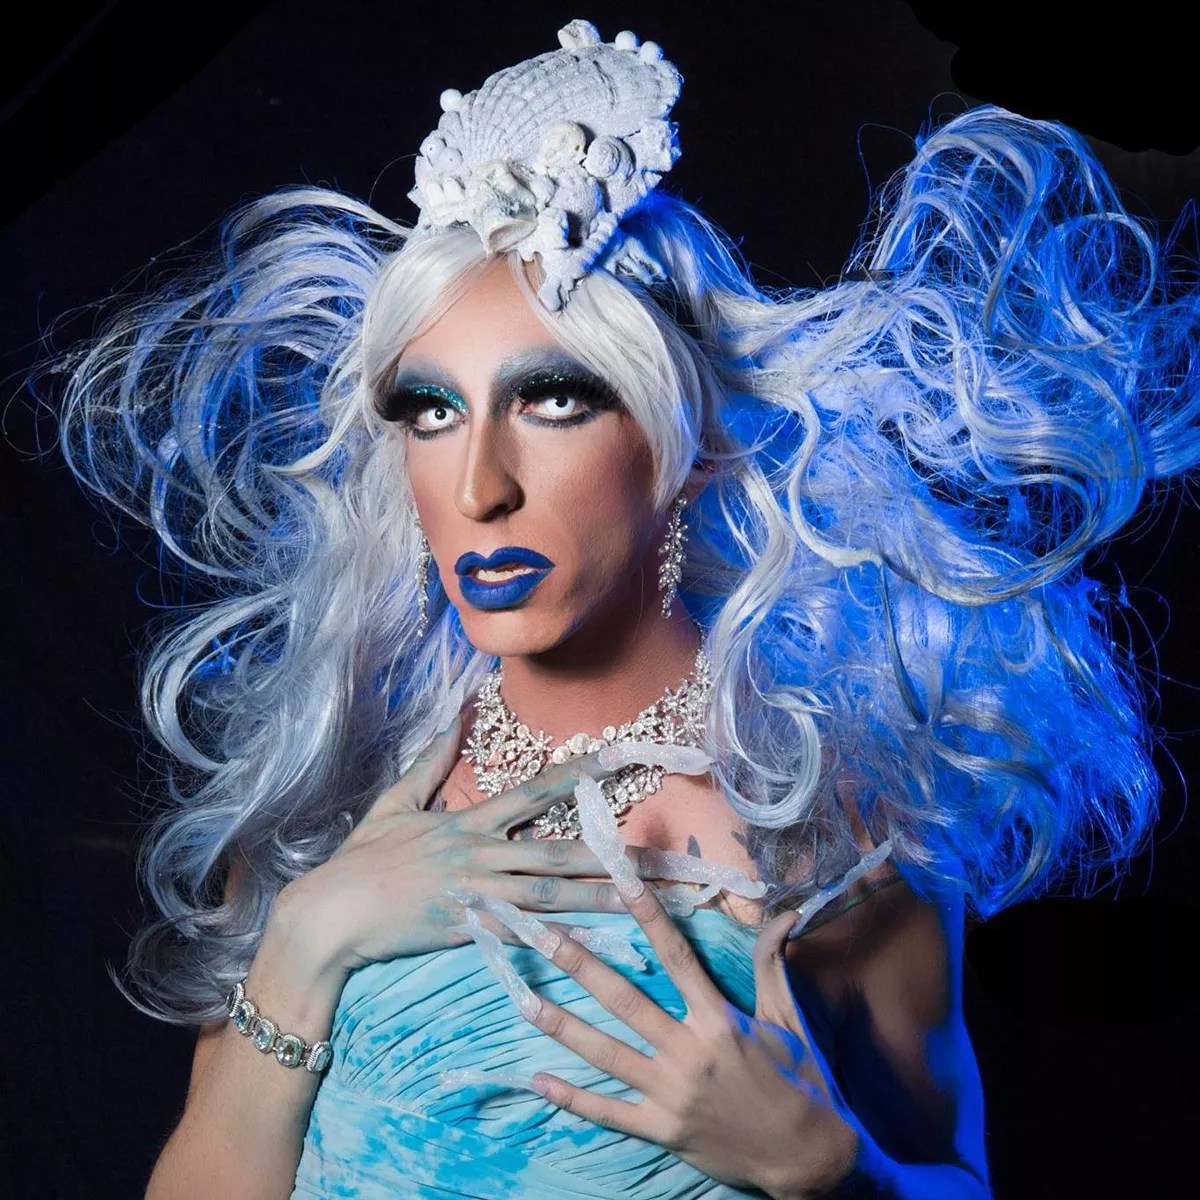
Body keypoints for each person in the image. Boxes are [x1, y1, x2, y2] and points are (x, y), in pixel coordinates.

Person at [43, 16, 1200, 1200]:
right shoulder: (335, 796)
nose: (480, 487)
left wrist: (825, 1168)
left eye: (553, 399)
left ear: (690, 445)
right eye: (432, 411)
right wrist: (305, 939)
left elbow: (959, 1178)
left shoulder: (839, 831)